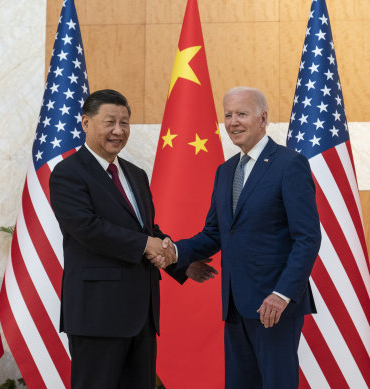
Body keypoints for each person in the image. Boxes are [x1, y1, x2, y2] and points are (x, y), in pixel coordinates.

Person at [49, 89, 214, 389]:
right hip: (97, 316)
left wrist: (178, 259)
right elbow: (87, 228)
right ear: (86, 123)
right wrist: (145, 245)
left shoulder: (135, 174)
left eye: (124, 123)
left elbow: (146, 230)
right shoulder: (67, 173)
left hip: (142, 315)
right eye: (109, 121)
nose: (118, 130)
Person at [174, 87, 321, 388]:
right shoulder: (225, 171)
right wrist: (174, 251)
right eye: (228, 115)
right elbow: (215, 233)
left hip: (274, 306)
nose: (233, 122)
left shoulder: (289, 164)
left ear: (263, 118)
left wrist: (281, 295)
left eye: (241, 114)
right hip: (235, 304)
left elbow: (307, 238)